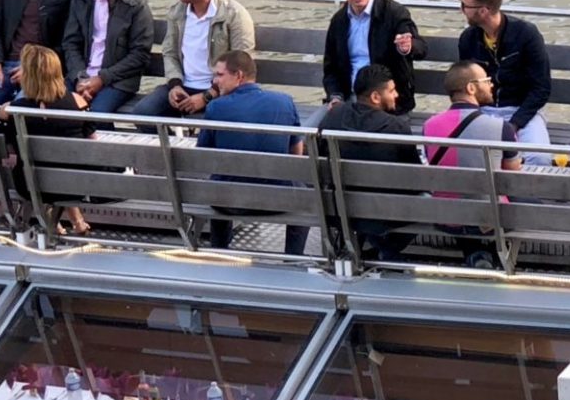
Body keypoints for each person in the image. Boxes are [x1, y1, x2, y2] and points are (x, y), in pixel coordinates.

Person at [193, 50, 308, 255]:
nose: (215, 81)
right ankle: (293, 257)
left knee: (219, 181)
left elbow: (203, 157)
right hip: (278, 200)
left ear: (238, 76)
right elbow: (296, 156)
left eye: (220, 75)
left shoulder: (216, 108)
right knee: (303, 193)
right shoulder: (285, 102)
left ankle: (220, 252)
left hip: (228, 202)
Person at [127, 0, 256, 119]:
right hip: (183, 86)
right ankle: (171, 142)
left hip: (220, 90)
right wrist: (175, 85)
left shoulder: (234, 15)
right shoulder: (177, 12)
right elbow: (170, 52)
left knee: (210, 120)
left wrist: (207, 96)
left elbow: (242, 63)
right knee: (142, 113)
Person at [318, 63, 420, 261]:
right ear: (375, 97)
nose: (396, 95)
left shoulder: (333, 118)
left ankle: (366, 247)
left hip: (338, 210)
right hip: (385, 216)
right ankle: (387, 251)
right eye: (391, 91)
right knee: (424, 201)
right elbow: (415, 179)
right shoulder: (396, 127)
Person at [419, 61, 513, 269]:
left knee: (458, 194)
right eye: (486, 81)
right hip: (490, 220)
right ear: (471, 88)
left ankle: (477, 254)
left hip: (446, 217)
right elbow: (513, 177)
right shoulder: (501, 128)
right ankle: (495, 255)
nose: (491, 85)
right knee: (513, 197)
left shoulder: (428, 126)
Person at [454, 0, 553, 154]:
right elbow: (464, 86)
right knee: (461, 152)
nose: (461, 10)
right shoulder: (468, 39)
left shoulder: (526, 34)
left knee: (539, 158)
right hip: (482, 110)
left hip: (521, 111)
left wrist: (515, 124)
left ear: (483, 11)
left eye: (464, 6)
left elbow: (541, 88)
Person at [2, 44, 89, 236]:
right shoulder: (78, 102)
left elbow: (9, 146)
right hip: (74, 186)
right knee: (62, 166)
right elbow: (92, 144)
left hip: (29, 186)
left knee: (31, 167)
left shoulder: (16, 110)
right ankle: (72, 221)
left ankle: (54, 222)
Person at [59, 0, 154, 113]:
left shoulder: (135, 5)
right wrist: (81, 77)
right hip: (81, 77)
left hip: (117, 82)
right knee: (50, 105)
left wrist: (102, 78)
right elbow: (71, 43)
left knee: (96, 115)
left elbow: (139, 55)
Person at [319, 0, 425, 115]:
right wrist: (335, 96)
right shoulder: (339, 21)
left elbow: (422, 48)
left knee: (368, 131)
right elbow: (331, 69)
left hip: (387, 101)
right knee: (313, 130)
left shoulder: (394, 13)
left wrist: (407, 46)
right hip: (349, 99)